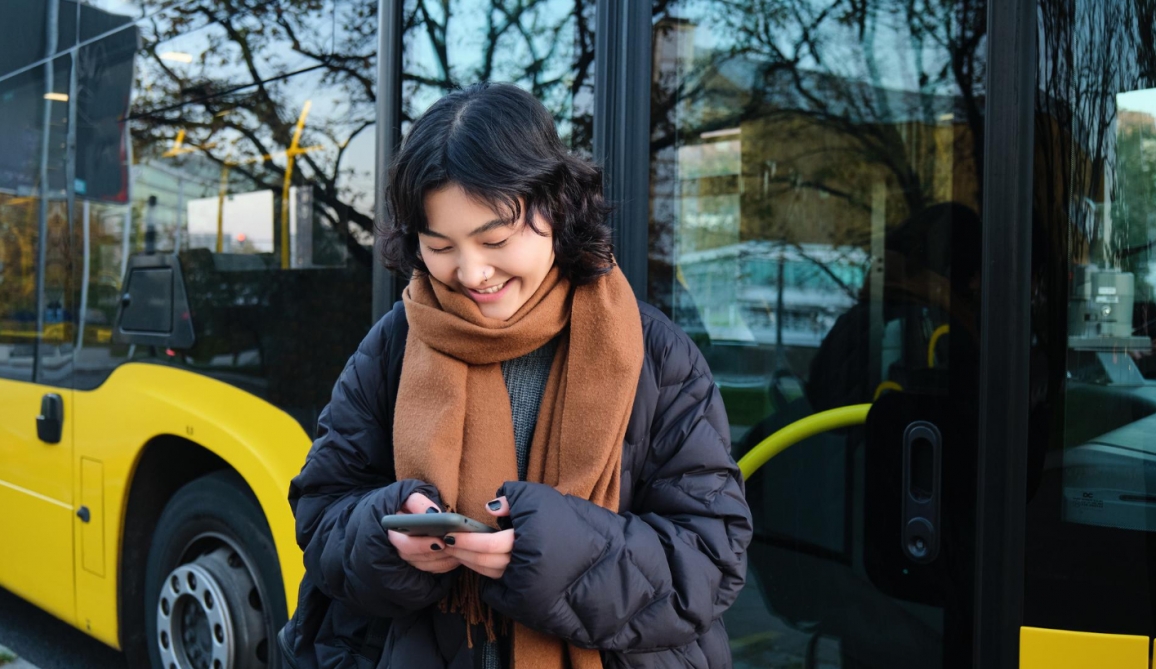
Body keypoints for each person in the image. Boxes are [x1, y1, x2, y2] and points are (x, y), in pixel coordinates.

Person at [280, 82, 752, 669]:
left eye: (495, 239)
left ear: (555, 207)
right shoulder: (395, 345)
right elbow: (322, 513)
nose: (472, 272)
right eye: (440, 246)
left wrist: (545, 552)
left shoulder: (657, 355)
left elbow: (709, 560)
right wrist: (384, 538)